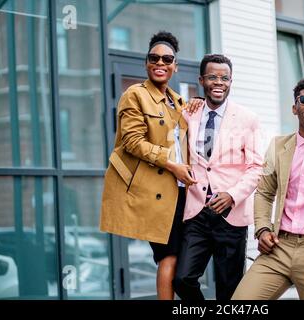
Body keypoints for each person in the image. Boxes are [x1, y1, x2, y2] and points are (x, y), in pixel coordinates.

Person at [99, 31, 198, 300]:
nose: (160, 63)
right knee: (168, 257)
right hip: (156, 191)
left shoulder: (178, 101)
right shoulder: (134, 95)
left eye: (167, 59)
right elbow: (132, 141)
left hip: (180, 192)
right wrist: (172, 165)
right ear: (146, 63)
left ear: (175, 66)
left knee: (180, 260)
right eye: (154, 58)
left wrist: (196, 106)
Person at [232, 76, 304, 300]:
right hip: (278, 247)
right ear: (294, 108)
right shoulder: (278, 146)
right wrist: (262, 229)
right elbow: (265, 193)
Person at [172, 54, 263, 301]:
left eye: (224, 78)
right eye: (212, 77)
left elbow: (256, 167)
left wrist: (232, 195)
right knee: (183, 279)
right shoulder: (188, 113)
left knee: (229, 290)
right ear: (202, 80)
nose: (218, 82)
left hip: (231, 215)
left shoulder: (248, 119)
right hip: (196, 212)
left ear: (231, 81)